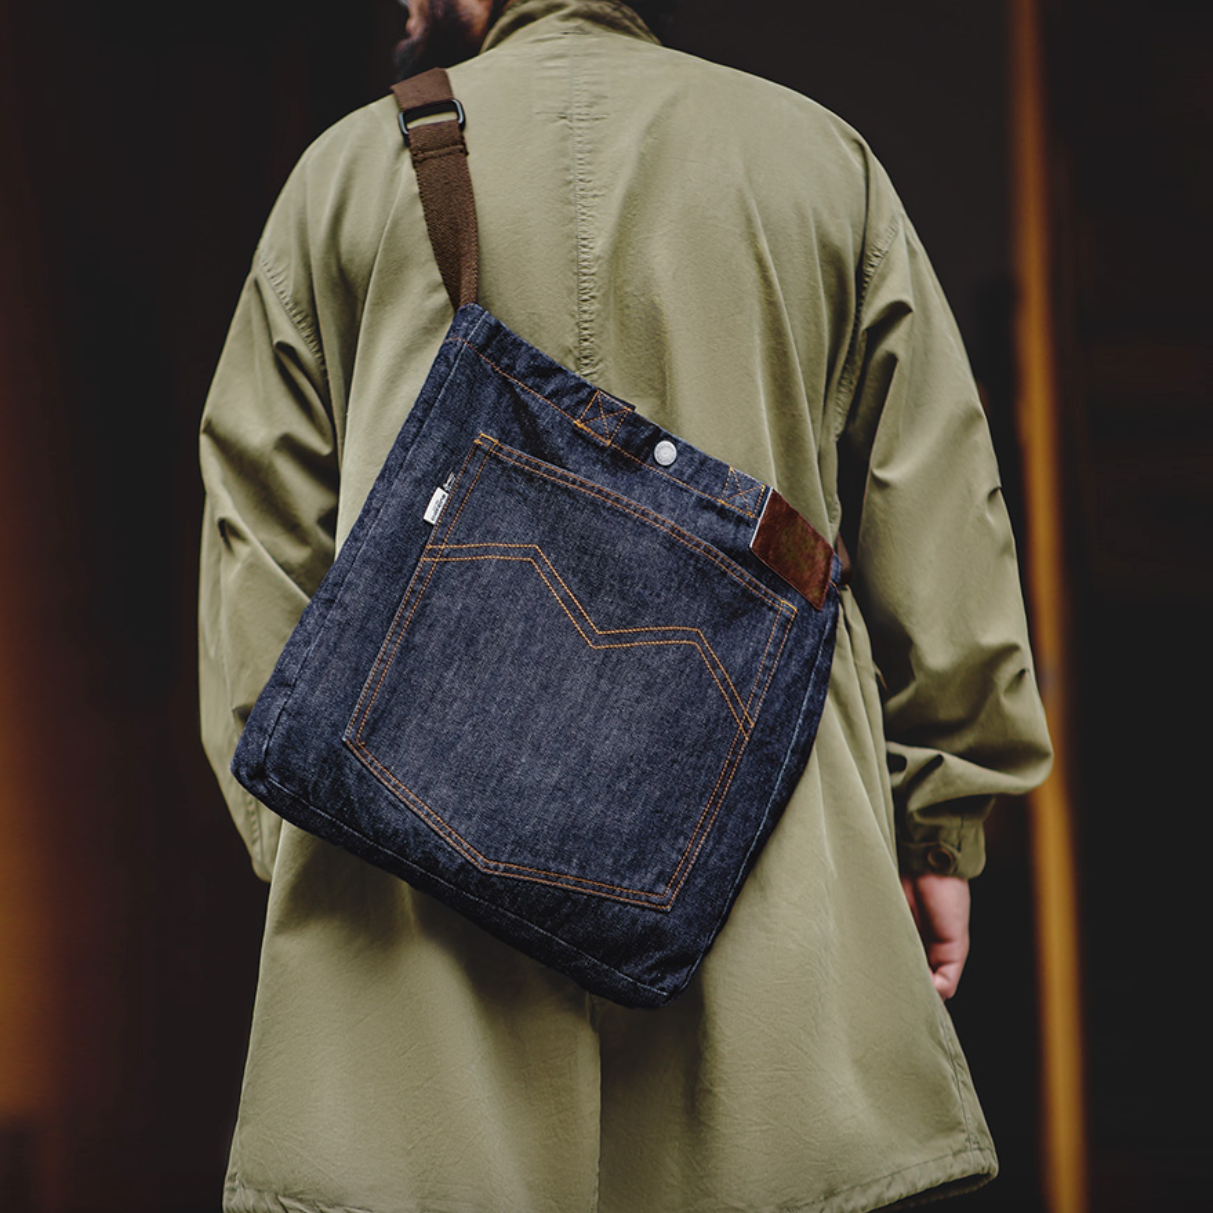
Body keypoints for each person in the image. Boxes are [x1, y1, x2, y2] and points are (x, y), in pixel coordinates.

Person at [198, 2, 1053, 1210]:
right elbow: (940, 515)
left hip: (406, 934)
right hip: (769, 910)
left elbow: (258, 552)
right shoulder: (819, 165)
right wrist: (935, 831)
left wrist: (310, 844)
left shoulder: (342, 180)